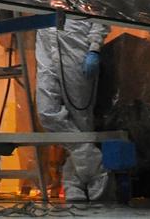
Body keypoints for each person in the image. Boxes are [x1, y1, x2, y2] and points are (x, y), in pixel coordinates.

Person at [35, 17, 109, 201]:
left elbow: (101, 12)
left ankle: (74, 184)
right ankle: (97, 171)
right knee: (47, 112)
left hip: (77, 46)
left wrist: (94, 47)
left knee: (81, 119)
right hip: (46, 45)